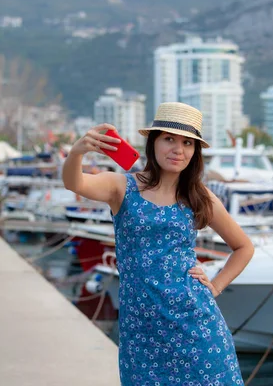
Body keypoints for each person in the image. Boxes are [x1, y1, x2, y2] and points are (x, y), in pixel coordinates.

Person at [62, 102, 254, 385]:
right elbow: (75, 183)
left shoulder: (198, 196)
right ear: (153, 142)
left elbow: (244, 247)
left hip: (196, 326)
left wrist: (215, 285)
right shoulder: (122, 187)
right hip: (142, 331)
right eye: (169, 139)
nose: (178, 149)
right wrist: (77, 152)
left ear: (195, 151)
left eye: (188, 143)